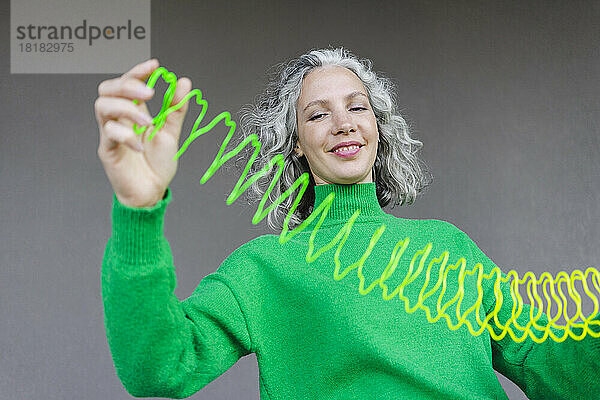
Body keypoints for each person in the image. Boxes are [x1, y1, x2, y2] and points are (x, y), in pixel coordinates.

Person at [96, 47, 599, 399]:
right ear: (295, 141)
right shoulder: (264, 268)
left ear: (378, 128)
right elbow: (158, 366)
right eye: (317, 114)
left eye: (357, 106)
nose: (344, 123)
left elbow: (551, 365)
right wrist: (137, 211)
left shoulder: (449, 247)